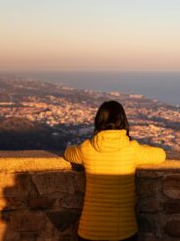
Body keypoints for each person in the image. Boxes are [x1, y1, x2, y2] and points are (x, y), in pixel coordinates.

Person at [64, 100, 166, 241]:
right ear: (123, 120)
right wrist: (141, 147)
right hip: (123, 231)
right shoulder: (132, 149)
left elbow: (68, 153)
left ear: (99, 121)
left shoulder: (86, 148)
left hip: (89, 231)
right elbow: (161, 155)